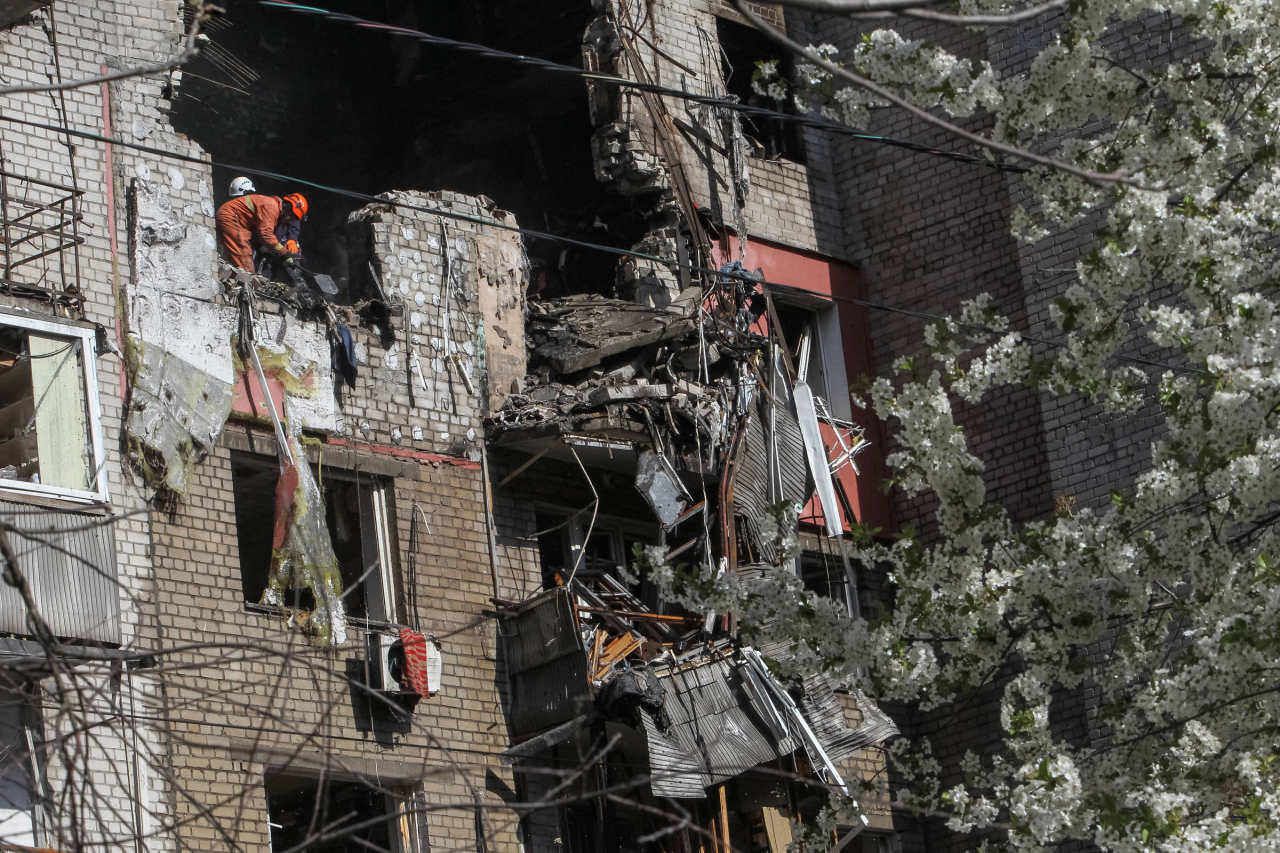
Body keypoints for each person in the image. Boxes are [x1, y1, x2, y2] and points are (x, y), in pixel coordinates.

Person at [215, 190, 307, 275]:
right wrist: (285, 254)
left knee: (238, 259)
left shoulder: (274, 208)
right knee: (244, 258)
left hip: (235, 220)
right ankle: (247, 283)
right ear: (288, 208)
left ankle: (237, 282)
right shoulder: (272, 207)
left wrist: (265, 251)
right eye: (292, 217)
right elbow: (266, 235)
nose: (290, 221)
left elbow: (256, 235)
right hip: (231, 218)